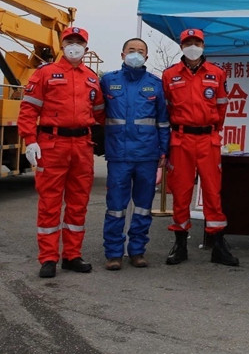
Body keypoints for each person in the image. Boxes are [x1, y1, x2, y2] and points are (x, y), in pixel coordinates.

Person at [19, 27, 105, 278]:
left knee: (78, 204)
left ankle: (72, 255)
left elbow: (100, 113)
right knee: (50, 204)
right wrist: (30, 140)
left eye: (79, 42)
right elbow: (28, 110)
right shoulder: (45, 73)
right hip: (52, 144)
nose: (74, 45)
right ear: (62, 45)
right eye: (70, 41)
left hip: (82, 147)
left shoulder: (91, 77)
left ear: (86, 48)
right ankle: (48, 258)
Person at [161, 28, 239, 267]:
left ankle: (218, 245)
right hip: (181, 140)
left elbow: (222, 108)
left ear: (203, 45)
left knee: (213, 194)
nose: (192, 46)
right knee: (181, 193)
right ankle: (180, 244)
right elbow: (165, 109)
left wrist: (211, 130)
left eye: (196, 42)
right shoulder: (169, 75)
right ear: (181, 46)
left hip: (208, 139)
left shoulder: (217, 74)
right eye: (188, 42)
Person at [100, 38, 170, 271]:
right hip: (118, 155)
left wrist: (164, 150)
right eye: (131, 50)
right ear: (122, 54)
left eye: (141, 51)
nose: (136, 54)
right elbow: (97, 116)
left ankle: (137, 251)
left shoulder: (155, 85)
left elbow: (163, 121)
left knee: (142, 206)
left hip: (147, 156)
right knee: (115, 207)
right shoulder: (108, 82)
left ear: (147, 58)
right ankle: (113, 253)